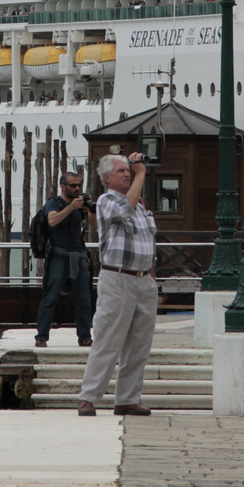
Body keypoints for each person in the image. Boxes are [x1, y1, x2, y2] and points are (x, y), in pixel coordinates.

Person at [78, 152, 158, 417]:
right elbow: (126, 208)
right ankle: (89, 397)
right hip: (117, 278)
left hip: (143, 279)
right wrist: (141, 174)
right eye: (122, 170)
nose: (127, 173)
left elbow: (148, 239)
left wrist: (151, 274)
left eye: (129, 170)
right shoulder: (106, 200)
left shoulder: (142, 203)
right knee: (107, 339)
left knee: (139, 346)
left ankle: (127, 399)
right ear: (107, 178)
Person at [35, 171, 93, 349]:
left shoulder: (80, 204)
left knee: (84, 299)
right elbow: (52, 221)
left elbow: (96, 225)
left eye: (79, 185)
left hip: (79, 256)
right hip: (59, 257)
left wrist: (88, 210)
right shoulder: (55, 202)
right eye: (73, 185)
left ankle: (84, 336)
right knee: (50, 297)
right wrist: (71, 208)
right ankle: (42, 336)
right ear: (63, 186)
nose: (77, 188)